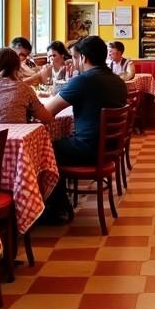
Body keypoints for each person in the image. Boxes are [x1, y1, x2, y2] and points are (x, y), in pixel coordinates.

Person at [41, 35, 128, 220]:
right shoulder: (118, 81)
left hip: (88, 149)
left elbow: (47, 112)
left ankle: (55, 209)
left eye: (74, 57)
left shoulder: (83, 80)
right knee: (57, 144)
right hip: (111, 149)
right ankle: (57, 204)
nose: (73, 61)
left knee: (44, 150)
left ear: (83, 58)